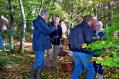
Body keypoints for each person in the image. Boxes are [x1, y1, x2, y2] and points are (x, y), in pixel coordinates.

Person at [29, 9, 56, 79]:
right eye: (47, 15)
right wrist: (54, 27)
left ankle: (37, 76)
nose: (48, 17)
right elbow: (47, 30)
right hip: (39, 45)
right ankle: (31, 77)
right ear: (44, 14)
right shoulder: (39, 21)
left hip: (41, 44)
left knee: (41, 62)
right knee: (39, 61)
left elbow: (45, 31)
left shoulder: (41, 21)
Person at [69, 15, 95, 79]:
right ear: (90, 20)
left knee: (77, 67)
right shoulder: (88, 27)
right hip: (84, 52)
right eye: (92, 20)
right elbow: (89, 40)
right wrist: (95, 41)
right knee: (90, 68)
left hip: (75, 51)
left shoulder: (75, 27)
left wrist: (71, 49)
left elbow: (70, 39)